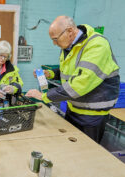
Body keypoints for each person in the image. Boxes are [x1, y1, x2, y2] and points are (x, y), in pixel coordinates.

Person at [25, 16, 120, 144]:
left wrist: (44, 96)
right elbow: (69, 72)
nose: (54, 43)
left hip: (91, 115)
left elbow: (81, 83)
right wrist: (51, 74)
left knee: (86, 152)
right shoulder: (68, 47)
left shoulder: (97, 45)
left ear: (69, 31)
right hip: (73, 108)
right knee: (70, 147)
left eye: (55, 39)